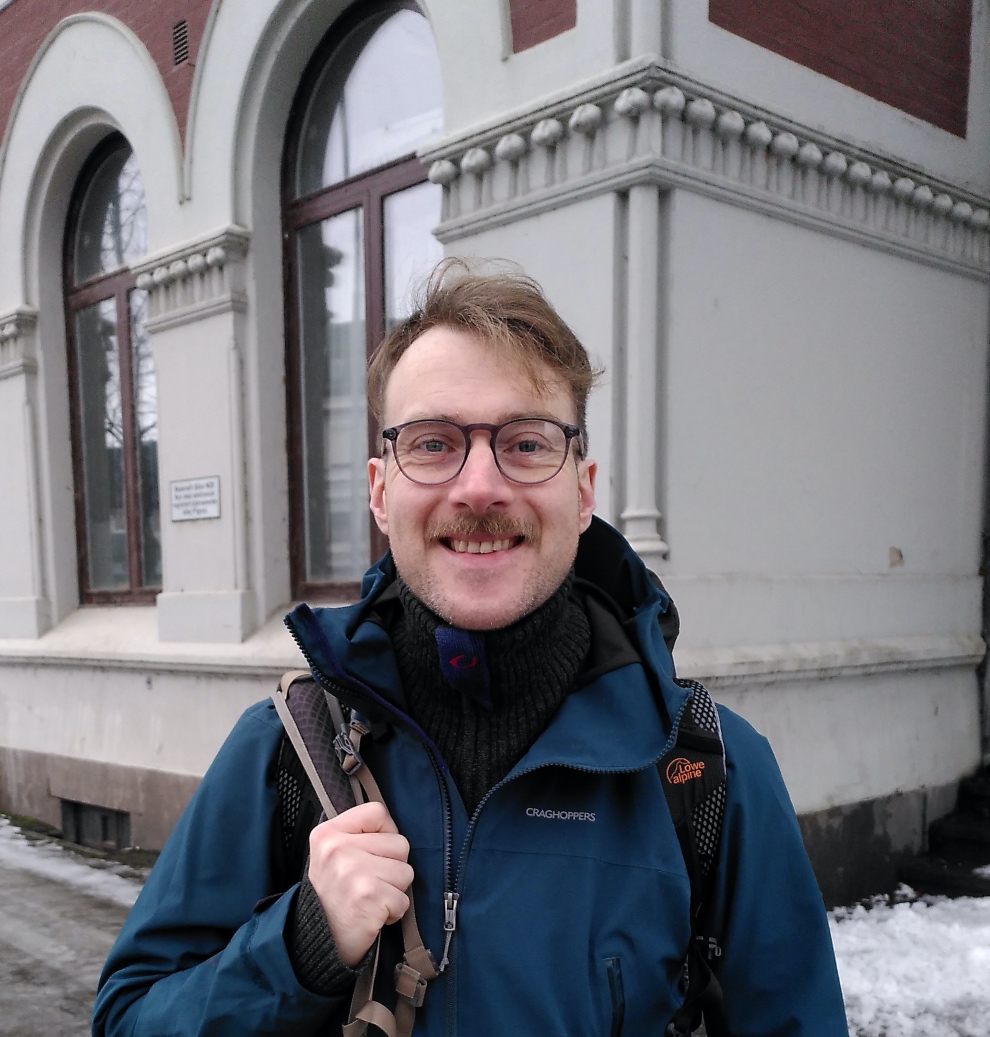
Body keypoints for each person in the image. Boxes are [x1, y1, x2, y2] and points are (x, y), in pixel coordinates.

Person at [93, 261, 848, 1036]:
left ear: (582, 490)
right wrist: (301, 945)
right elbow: (127, 1018)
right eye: (433, 442)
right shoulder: (288, 752)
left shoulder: (705, 770)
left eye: (526, 442)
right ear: (381, 491)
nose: (480, 486)